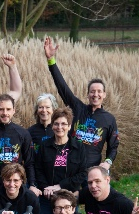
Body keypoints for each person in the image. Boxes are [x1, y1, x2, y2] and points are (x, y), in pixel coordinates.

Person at [44, 37, 119, 173]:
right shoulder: (78, 108)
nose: (95, 94)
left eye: (99, 92)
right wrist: (51, 60)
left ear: (104, 95)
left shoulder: (109, 119)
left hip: (92, 170)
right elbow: (62, 87)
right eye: (92, 91)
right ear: (88, 94)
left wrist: (107, 162)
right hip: (69, 167)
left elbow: (113, 146)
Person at [33, 107, 87, 214]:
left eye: (63, 124)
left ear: (69, 126)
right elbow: (38, 169)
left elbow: (82, 173)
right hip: (48, 198)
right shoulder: (44, 146)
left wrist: (60, 186)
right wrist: (46, 188)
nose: (59, 127)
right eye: (56, 124)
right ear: (52, 126)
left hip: (69, 197)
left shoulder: (78, 148)